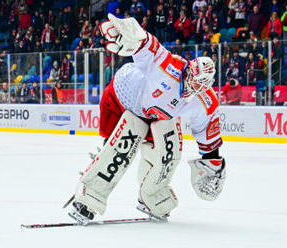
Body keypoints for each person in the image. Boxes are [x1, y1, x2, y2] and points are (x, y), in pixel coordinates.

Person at [68, 14, 226, 225]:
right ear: (187, 70)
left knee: (170, 152)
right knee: (121, 148)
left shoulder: (205, 102)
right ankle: (89, 198)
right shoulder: (169, 67)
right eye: (192, 81)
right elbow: (149, 45)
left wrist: (212, 162)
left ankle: (153, 196)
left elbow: (207, 135)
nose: (194, 88)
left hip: (157, 115)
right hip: (122, 99)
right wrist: (135, 36)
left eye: (201, 86)